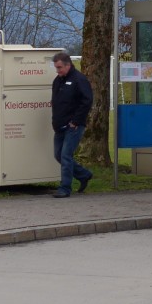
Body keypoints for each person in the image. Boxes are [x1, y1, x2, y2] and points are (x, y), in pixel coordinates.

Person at [50, 52, 94, 198]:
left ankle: (65, 188)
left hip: (73, 126)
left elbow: (87, 101)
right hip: (59, 126)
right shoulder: (57, 81)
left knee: (66, 155)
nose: (58, 71)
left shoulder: (79, 79)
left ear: (68, 65)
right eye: (56, 68)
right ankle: (84, 175)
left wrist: (76, 121)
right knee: (58, 155)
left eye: (59, 67)